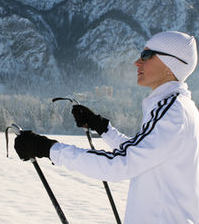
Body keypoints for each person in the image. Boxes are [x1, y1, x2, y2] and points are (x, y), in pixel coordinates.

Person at [14, 31, 199, 224]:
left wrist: (49, 148)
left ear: (171, 65)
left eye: (146, 55)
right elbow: (142, 154)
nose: (137, 62)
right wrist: (102, 127)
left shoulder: (172, 111)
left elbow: (121, 164)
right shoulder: (176, 107)